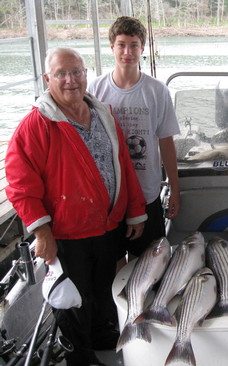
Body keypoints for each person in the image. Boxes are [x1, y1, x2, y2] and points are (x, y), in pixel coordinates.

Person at [5, 47, 148, 366]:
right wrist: (42, 232)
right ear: (47, 78)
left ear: (87, 74)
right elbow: (19, 184)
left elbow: (123, 164)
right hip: (67, 234)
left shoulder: (103, 113)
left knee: (103, 291)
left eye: (77, 72)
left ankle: (101, 335)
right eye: (61, 74)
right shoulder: (36, 125)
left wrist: (135, 210)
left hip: (107, 226)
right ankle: (79, 357)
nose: (71, 80)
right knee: (73, 302)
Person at [88, 16, 180, 270]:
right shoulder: (95, 90)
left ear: (142, 49)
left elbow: (166, 142)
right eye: (121, 45)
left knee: (149, 264)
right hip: (110, 196)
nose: (127, 52)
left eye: (134, 45)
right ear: (112, 47)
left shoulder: (157, 90)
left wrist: (175, 188)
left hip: (147, 191)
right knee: (114, 263)